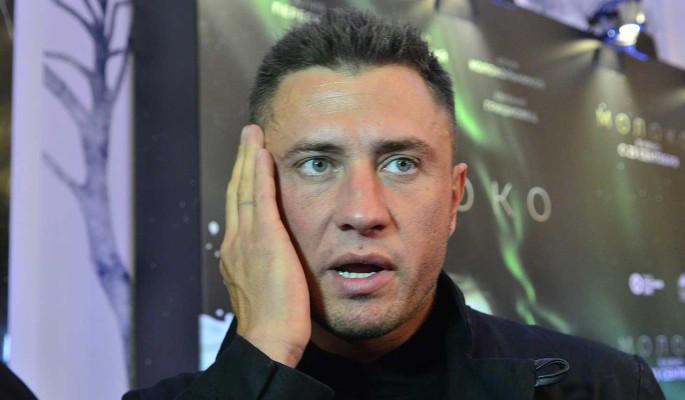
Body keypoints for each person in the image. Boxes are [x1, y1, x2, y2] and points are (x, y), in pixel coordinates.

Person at [125, 8, 665, 400]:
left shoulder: (605, 389)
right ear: (256, 192)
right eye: (318, 164)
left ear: (453, 197)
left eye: (401, 164)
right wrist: (263, 356)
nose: (363, 213)